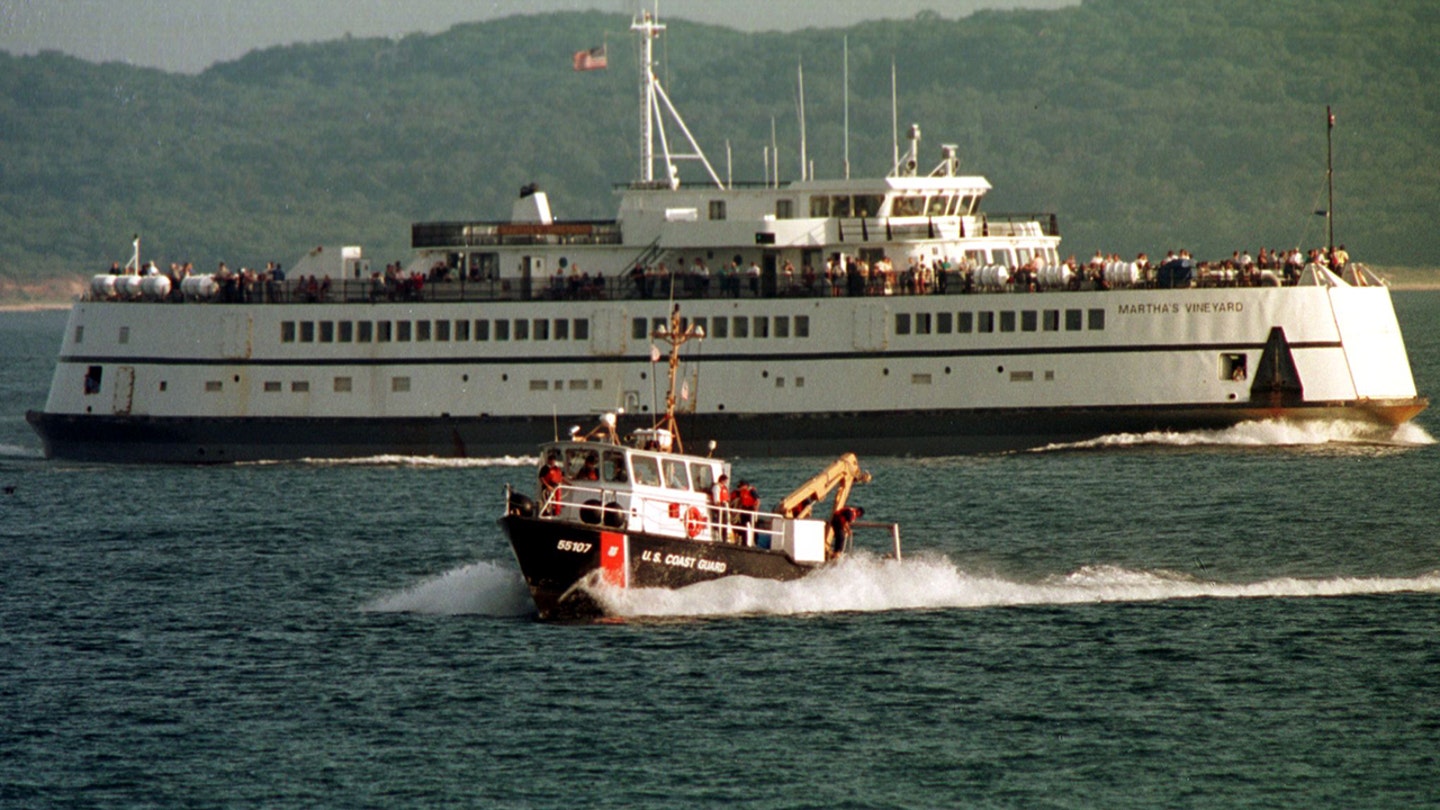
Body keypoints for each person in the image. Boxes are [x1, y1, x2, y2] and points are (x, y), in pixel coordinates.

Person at [731, 480, 759, 546]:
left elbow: (757, 500)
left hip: (750, 509)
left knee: (754, 526)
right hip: (743, 509)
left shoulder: (752, 491)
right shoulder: (739, 493)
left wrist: (756, 510)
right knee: (743, 526)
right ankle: (744, 542)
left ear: (745, 486)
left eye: (741, 486)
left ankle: (755, 542)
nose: (740, 488)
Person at [709, 474, 731, 542]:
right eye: (725, 481)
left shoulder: (724, 488)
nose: (726, 482)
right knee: (719, 522)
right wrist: (719, 507)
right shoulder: (717, 487)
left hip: (725, 507)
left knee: (725, 523)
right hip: (720, 507)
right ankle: (719, 538)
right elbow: (716, 500)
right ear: (722, 480)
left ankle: (724, 538)